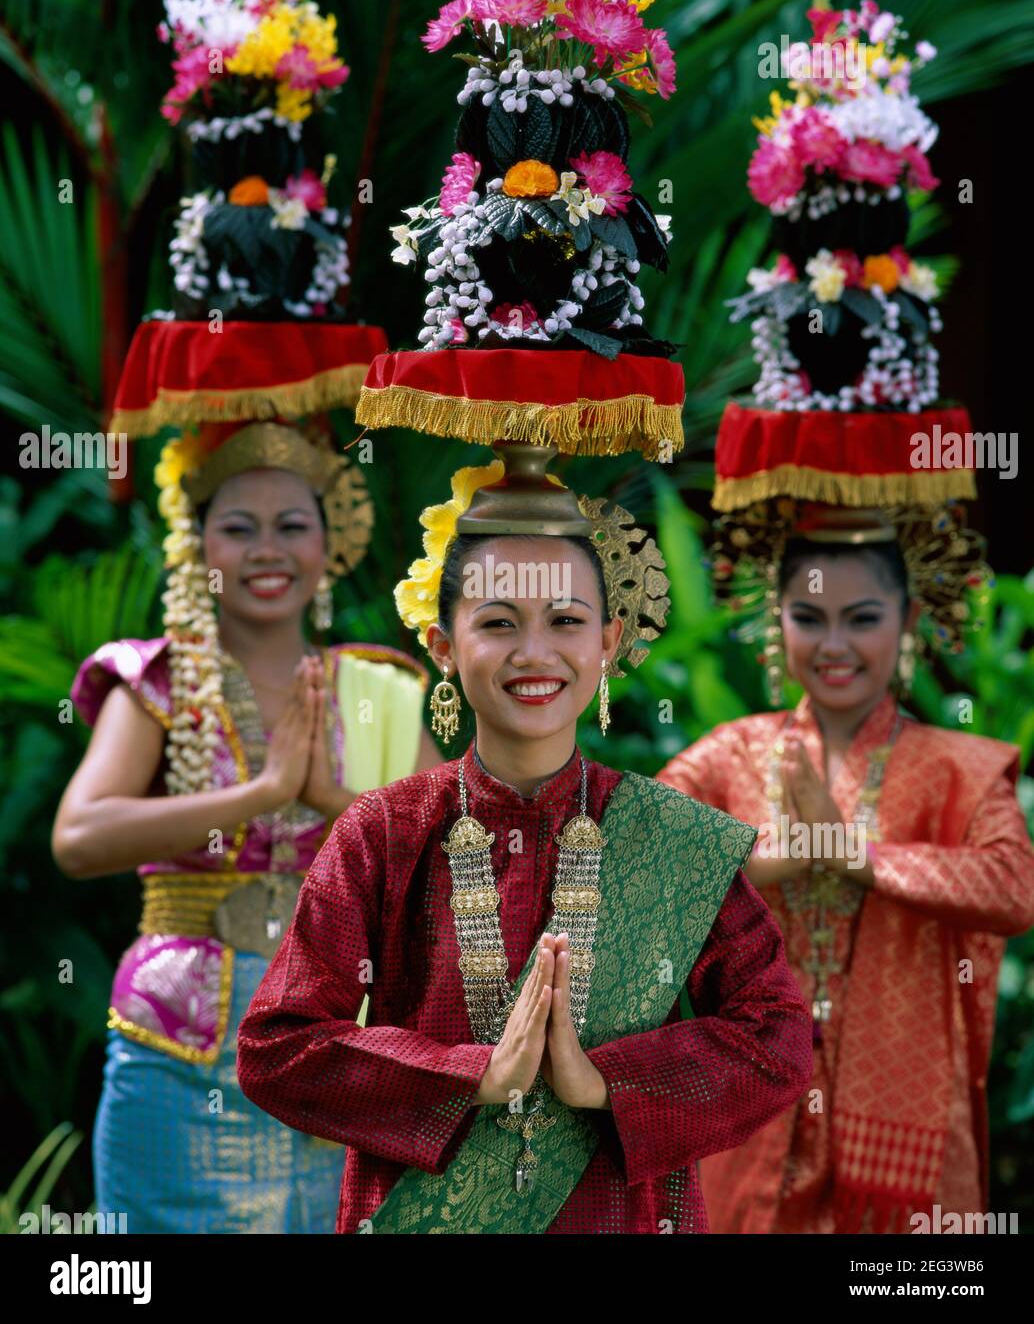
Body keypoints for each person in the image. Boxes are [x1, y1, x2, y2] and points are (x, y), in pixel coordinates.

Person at [235, 454, 813, 1234]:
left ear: (607, 641)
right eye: (499, 623)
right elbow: (277, 1047)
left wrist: (604, 1082)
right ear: (443, 645)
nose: (535, 654)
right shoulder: (383, 833)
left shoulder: (671, 837)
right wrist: (468, 1075)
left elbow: (778, 1039)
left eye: (567, 622)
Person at [52, 420, 439, 1233]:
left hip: (343, 1048)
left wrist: (336, 799)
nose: (268, 549)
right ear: (199, 548)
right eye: (239, 527)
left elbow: (450, 861)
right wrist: (259, 794)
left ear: (330, 544)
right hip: (179, 1047)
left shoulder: (378, 688)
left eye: (292, 526)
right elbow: (79, 838)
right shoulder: (154, 680)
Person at [659, 512, 1034, 1233]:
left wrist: (857, 857)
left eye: (861, 619)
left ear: (910, 618)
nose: (834, 646)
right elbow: (641, 854)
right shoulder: (729, 755)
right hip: (750, 1106)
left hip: (908, 1124)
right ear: (779, 619)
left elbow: (1013, 889)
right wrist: (782, 853)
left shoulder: (961, 769)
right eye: (809, 617)